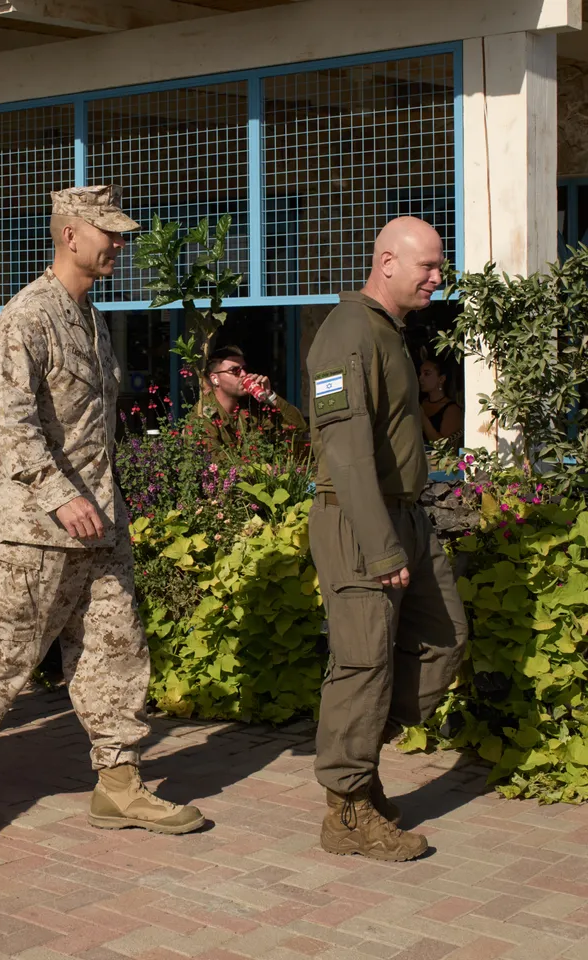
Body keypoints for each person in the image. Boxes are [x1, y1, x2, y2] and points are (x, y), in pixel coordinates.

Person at [0, 186, 207, 836]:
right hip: (40, 531)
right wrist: (59, 493)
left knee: (116, 648)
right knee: (6, 657)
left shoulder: (90, 318)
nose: (120, 244)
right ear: (71, 234)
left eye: (122, 233)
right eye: (109, 233)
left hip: (100, 524)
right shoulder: (29, 317)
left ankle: (119, 783)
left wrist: (99, 501)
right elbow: (3, 420)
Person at [305, 216, 468, 861]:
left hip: (406, 515)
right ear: (387, 262)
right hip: (358, 520)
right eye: (428, 266)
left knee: (445, 637)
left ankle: (360, 759)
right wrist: (379, 545)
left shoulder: (389, 331)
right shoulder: (347, 333)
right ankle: (346, 809)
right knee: (363, 662)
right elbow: (344, 453)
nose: (437, 277)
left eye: (439, 266)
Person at [193, 344, 308, 450]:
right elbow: (213, 458)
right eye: (235, 370)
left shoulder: (251, 406)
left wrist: (270, 397)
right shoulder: (202, 413)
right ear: (215, 379)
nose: (244, 374)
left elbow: (299, 428)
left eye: (244, 369)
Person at [418, 356, 463, 445]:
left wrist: (422, 417)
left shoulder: (452, 409)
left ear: (441, 379)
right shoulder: (421, 402)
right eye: (420, 374)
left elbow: (442, 446)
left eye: (427, 374)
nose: (420, 378)